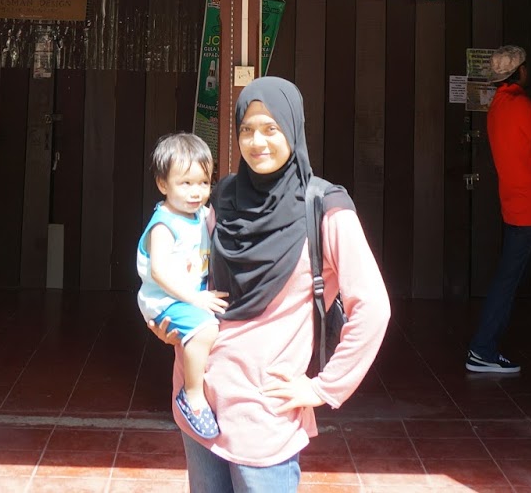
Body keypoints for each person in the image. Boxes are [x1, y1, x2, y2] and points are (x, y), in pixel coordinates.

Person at [154, 76, 390, 493]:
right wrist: (165, 321)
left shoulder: (324, 208)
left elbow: (372, 306)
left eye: (270, 128)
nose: (256, 141)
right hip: (200, 400)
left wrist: (324, 387)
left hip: (265, 413)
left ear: (293, 128)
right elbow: (187, 269)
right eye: (246, 128)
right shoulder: (223, 197)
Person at [137, 132, 228, 438]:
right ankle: (193, 396)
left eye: (203, 183)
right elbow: (160, 272)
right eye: (185, 183)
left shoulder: (202, 215)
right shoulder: (164, 224)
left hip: (189, 297)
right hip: (165, 301)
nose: (196, 192)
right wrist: (197, 299)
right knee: (206, 329)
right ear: (163, 185)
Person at [466, 45, 531, 375]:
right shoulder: (523, 106)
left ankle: (482, 349)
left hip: (514, 205)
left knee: (506, 281)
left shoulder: (497, 106)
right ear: (520, 72)